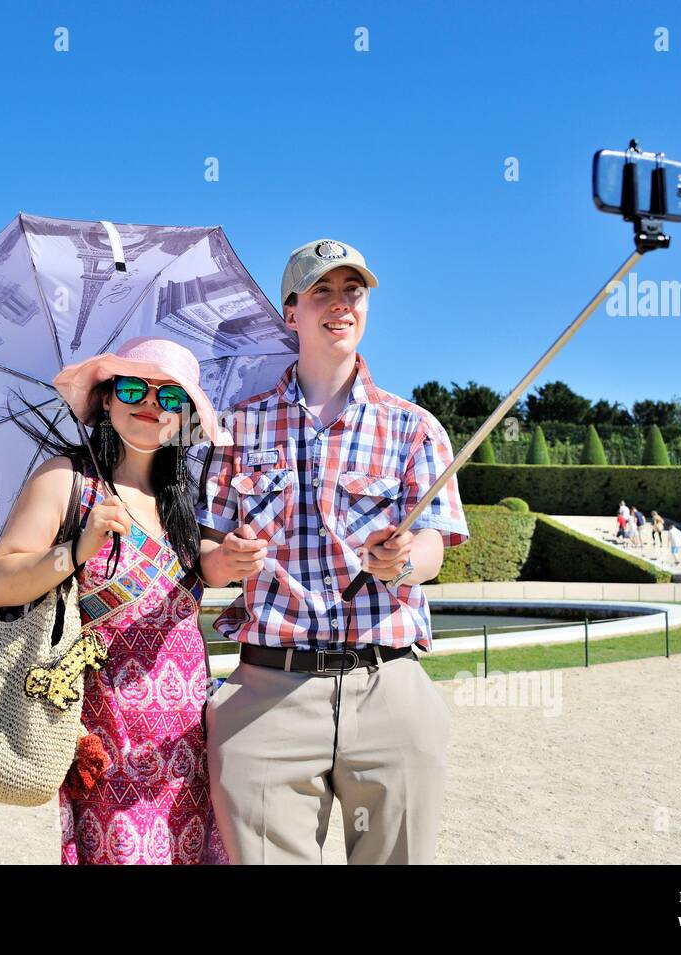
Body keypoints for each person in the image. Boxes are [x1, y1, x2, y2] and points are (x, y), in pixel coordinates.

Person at [196, 239, 470, 864]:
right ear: (290, 311)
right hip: (267, 694)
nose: (340, 303)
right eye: (322, 291)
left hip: (389, 690)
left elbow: (433, 546)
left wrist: (402, 561)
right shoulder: (236, 428)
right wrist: (225, 560)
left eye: (354, 291)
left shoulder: (415, 427)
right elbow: (207, 555)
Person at [0, 336, 232, 865]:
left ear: (185, 418)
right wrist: (76, 549)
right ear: (106, 398)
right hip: (108, 742)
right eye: (134, 388)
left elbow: (198, 578)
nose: (149, 404)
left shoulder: (184, 501)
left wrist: (230, 560)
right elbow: (0, 580)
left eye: (170, 397)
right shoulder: (66, 479)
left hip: (190, 743)